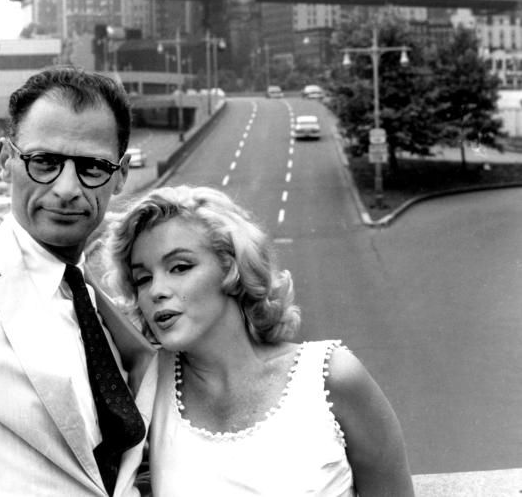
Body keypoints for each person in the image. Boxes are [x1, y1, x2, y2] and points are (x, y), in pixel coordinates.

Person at [107, 184, 416, 496]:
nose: (156, 290)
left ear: (232, 268)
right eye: (142, 279)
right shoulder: (146, 389)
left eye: (179, 267)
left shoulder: (331, 377)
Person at [0, 66, 154, 497]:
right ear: (5, 160)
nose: (66, 189)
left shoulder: (104, 304)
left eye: (92, 166)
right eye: (44, 162)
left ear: (121, 174)